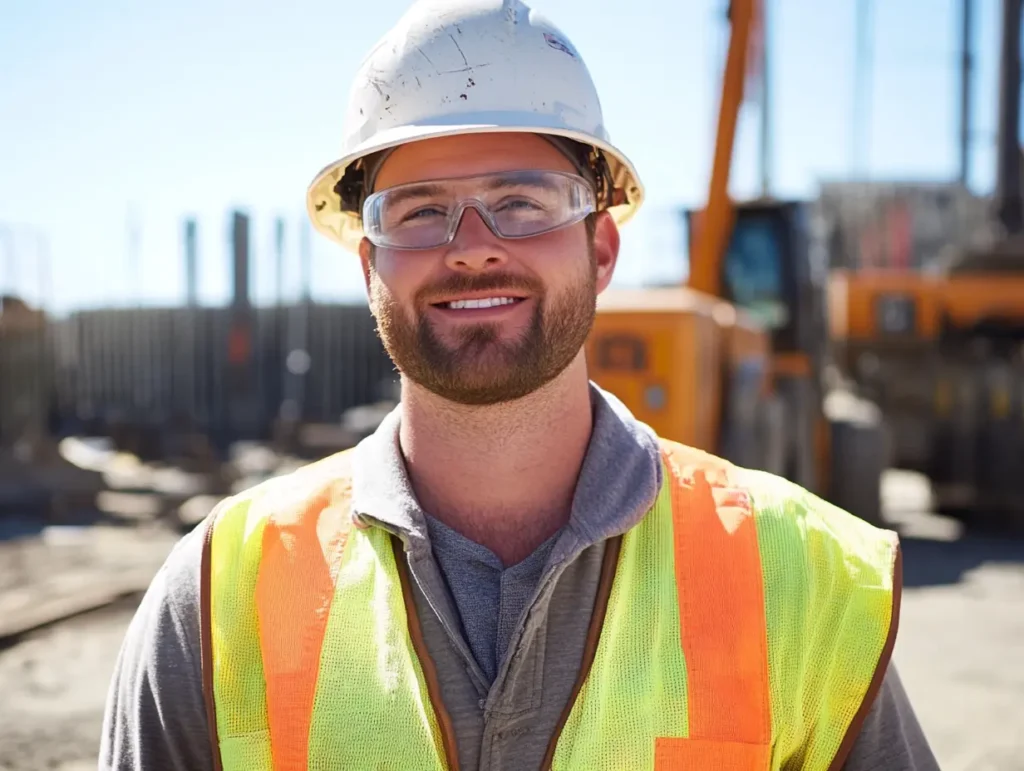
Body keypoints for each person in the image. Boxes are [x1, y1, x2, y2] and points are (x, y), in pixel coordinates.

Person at [100, 1, 941, 769]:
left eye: (525, 201)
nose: (471, 246)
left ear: (601, 251)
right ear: (369, 265)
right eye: (419, 210)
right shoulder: (217, 594)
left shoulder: (804, 578)